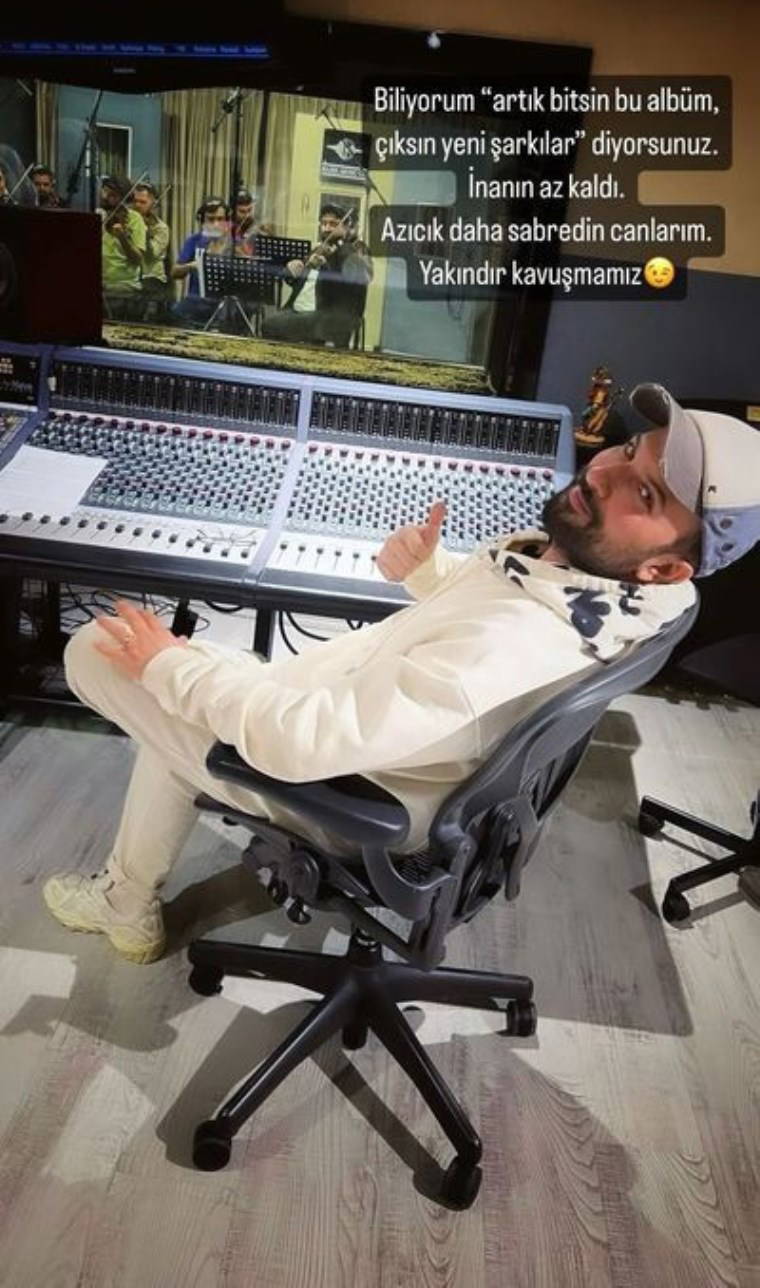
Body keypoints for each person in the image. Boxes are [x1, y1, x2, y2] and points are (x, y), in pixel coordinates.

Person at [41, 385, 760, 962]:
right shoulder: (609, 590)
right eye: (629, 451)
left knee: (100, 652)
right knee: (170, 700)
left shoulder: (510, 645)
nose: (603, 474)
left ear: (665, 567)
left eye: (645, 495)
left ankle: (124, 903)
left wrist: (171, 670)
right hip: (364, 728)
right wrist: (429, 572)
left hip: (351, 794)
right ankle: (126, 902)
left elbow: (302, 740)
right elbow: (482, 630)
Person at [262, 202, 372, 348]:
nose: (327, 228)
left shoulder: (349, 252)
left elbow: (350, 286)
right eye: (324, 223)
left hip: (325, 313)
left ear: (346, 227)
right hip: (297, 310)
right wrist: (292, 269)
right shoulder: (318, 250)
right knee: (269, 323)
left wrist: (325, 266)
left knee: (272, 325)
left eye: (333, 224)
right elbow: (295, 282)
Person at [171, 196, 228, 328]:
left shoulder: (234, 244)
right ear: (202, 221)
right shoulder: (194, 241)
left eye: (220, 219)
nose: (216, 224)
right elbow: (174, 273)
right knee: (172, 315)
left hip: (223, 306)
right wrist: (191, 266)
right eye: (211, 219)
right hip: (196, 302)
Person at [99, 175, 147, 322]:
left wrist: (122, 238)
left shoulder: (134, 219)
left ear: (123, 197)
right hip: (100, 283)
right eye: (105, 192)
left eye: (113, 195)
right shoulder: (99, 215)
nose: (106, 197)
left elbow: (137, 259)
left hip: (124, 286)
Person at [131, 181, 171, 321]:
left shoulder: (161, 228)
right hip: (131, 276)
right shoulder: (129, 221)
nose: (137, 205)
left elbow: (151, 254)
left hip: (152, 277)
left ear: (153, 204)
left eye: (143, 202)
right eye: (135, 201)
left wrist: (145, 233)